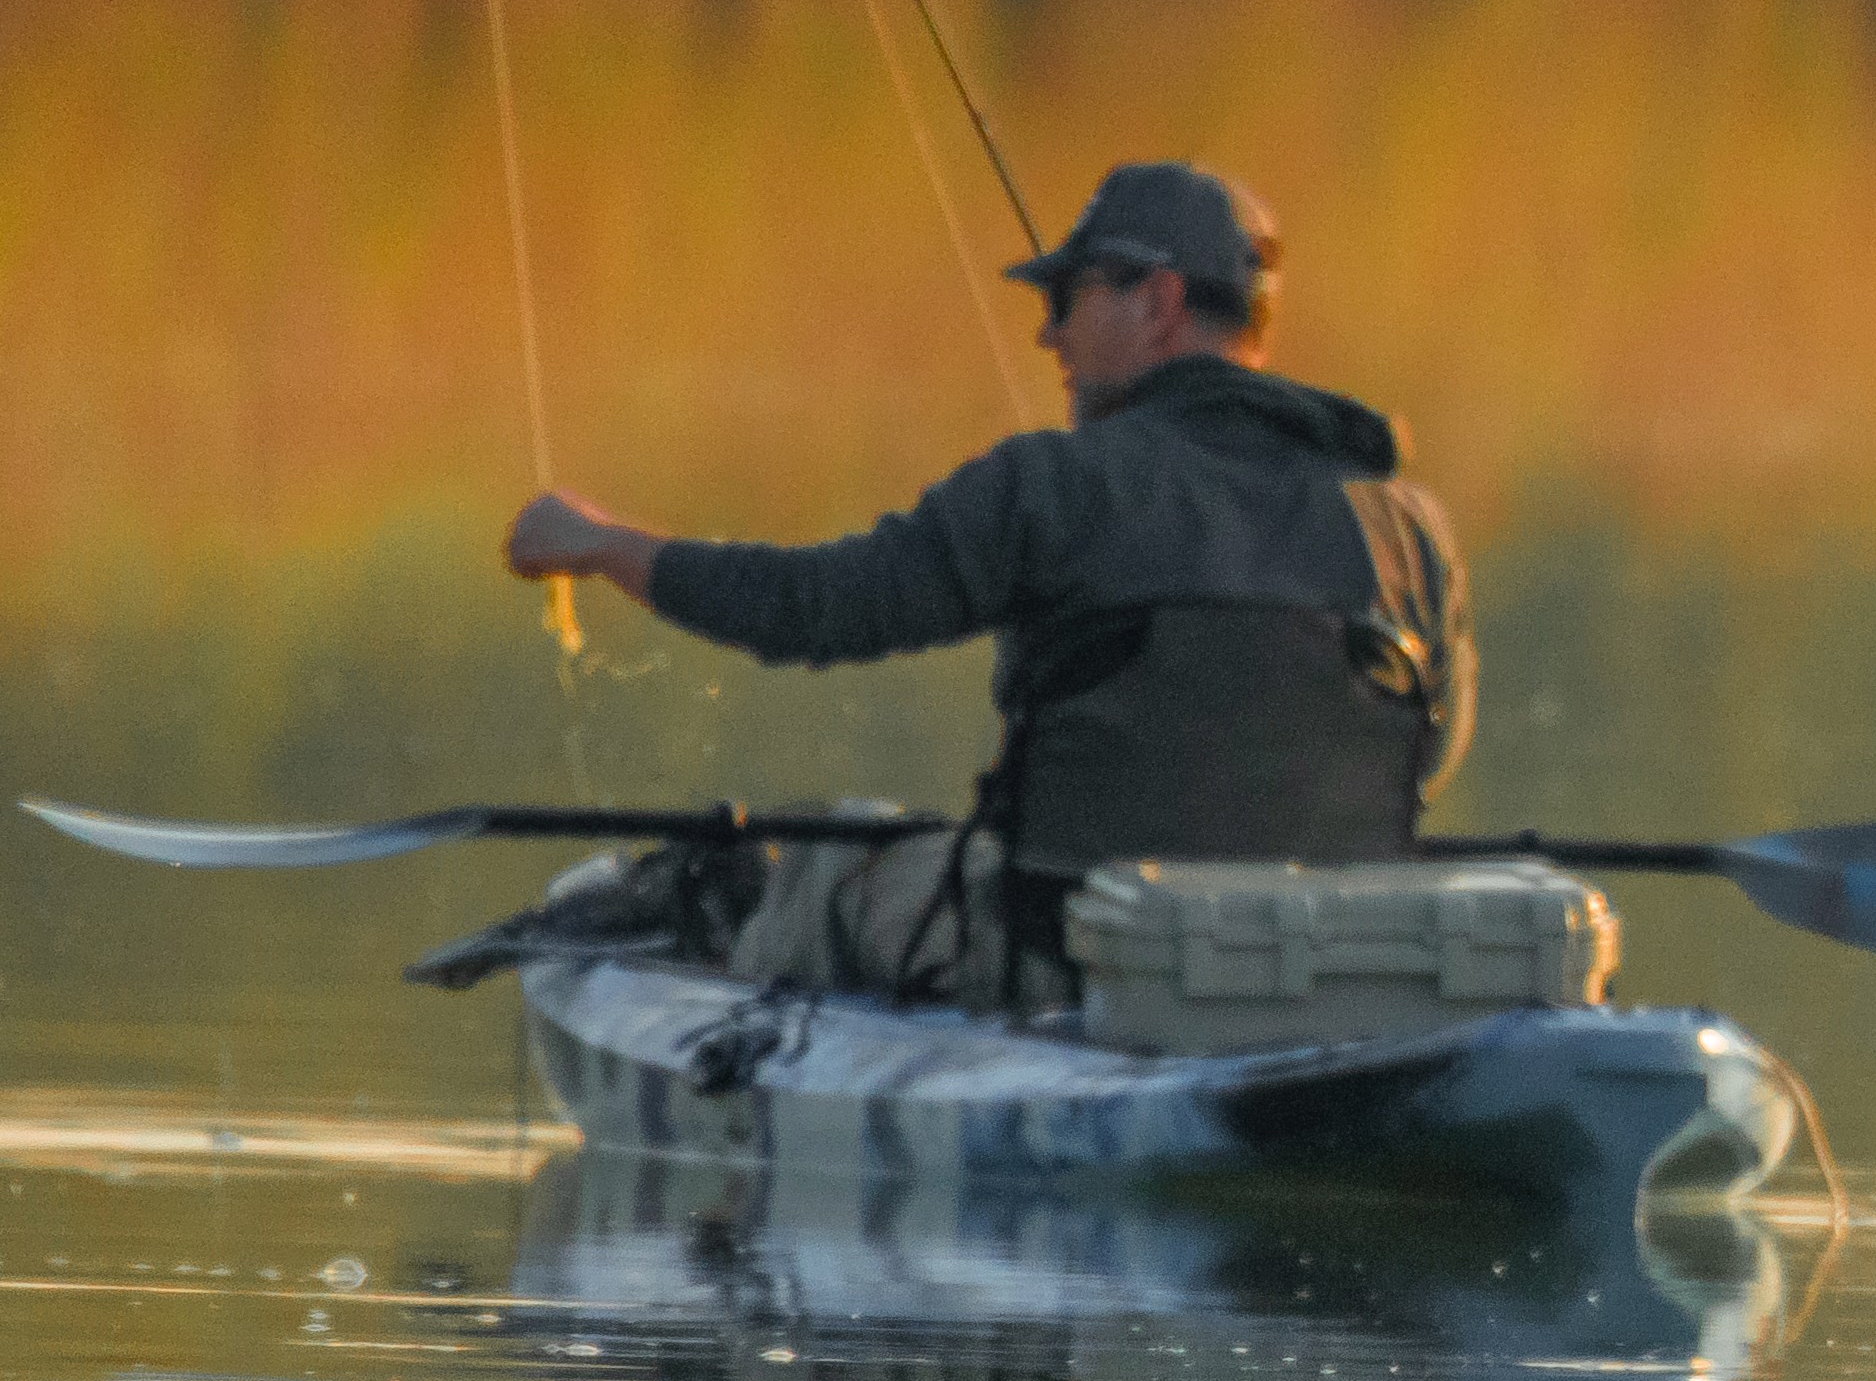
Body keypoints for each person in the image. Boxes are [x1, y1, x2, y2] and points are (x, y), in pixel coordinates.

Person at [497, 158, 1474, 1002]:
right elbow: (1424, 754)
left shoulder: (1046, 489)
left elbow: (819, 611)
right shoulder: (1407, 527)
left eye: (1067, 299)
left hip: (1053, 959)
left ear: (1160, 303)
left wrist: (602, 544)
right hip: (1330, 967)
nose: (1049, 335)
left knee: (833, 860)